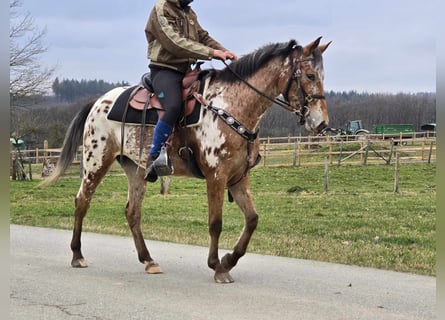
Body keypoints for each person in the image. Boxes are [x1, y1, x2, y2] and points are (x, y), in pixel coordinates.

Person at [144, 0, 237, 182]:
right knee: (173, 106)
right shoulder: (161, 8)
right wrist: (212, 53)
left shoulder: (189, 12)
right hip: (164, 70)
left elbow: (203, 37)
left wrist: (225, 51)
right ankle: (153, 157)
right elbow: (173, 42)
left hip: (188, 70)